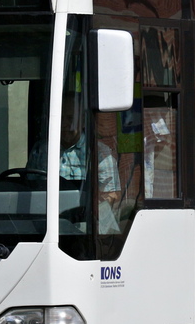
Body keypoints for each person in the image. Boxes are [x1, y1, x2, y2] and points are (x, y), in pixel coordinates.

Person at [27, 95, 123, 232]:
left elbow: (112, 194)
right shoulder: (41, 151)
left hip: (88, 228)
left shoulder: (99, 153)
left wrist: (83, 212)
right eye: (60, 118)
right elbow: (29, 187)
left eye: (70, 118)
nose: (65, 124)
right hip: (46, 223)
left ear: (83, 121)